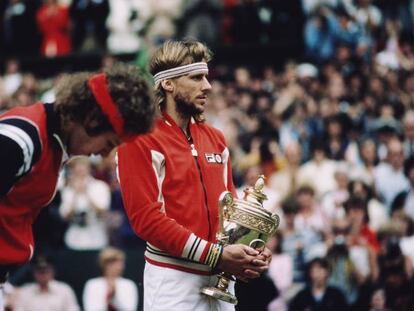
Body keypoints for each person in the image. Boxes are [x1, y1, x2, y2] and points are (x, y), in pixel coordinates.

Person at [116, 39, 271, 311]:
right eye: (196, 77)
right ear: (168, 83)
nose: (207, 86)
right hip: (173, 281)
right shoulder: (139, 139)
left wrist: (249, 250)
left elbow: (229, 211)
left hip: (222, 280)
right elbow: (147, 220)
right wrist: (217, 255)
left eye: (206, 77)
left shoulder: (216, 138)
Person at [0, 64, 155, 306]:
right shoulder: (22, 139)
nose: (105, 153)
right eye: (110, 142)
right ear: (92, 119)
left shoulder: (48, 141)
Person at [13, 256, 80, 311]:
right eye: (40, 271)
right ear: (34, 273)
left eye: (46, 271)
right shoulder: (24, 291)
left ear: (53, 272)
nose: (43, 275)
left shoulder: (64, 290)